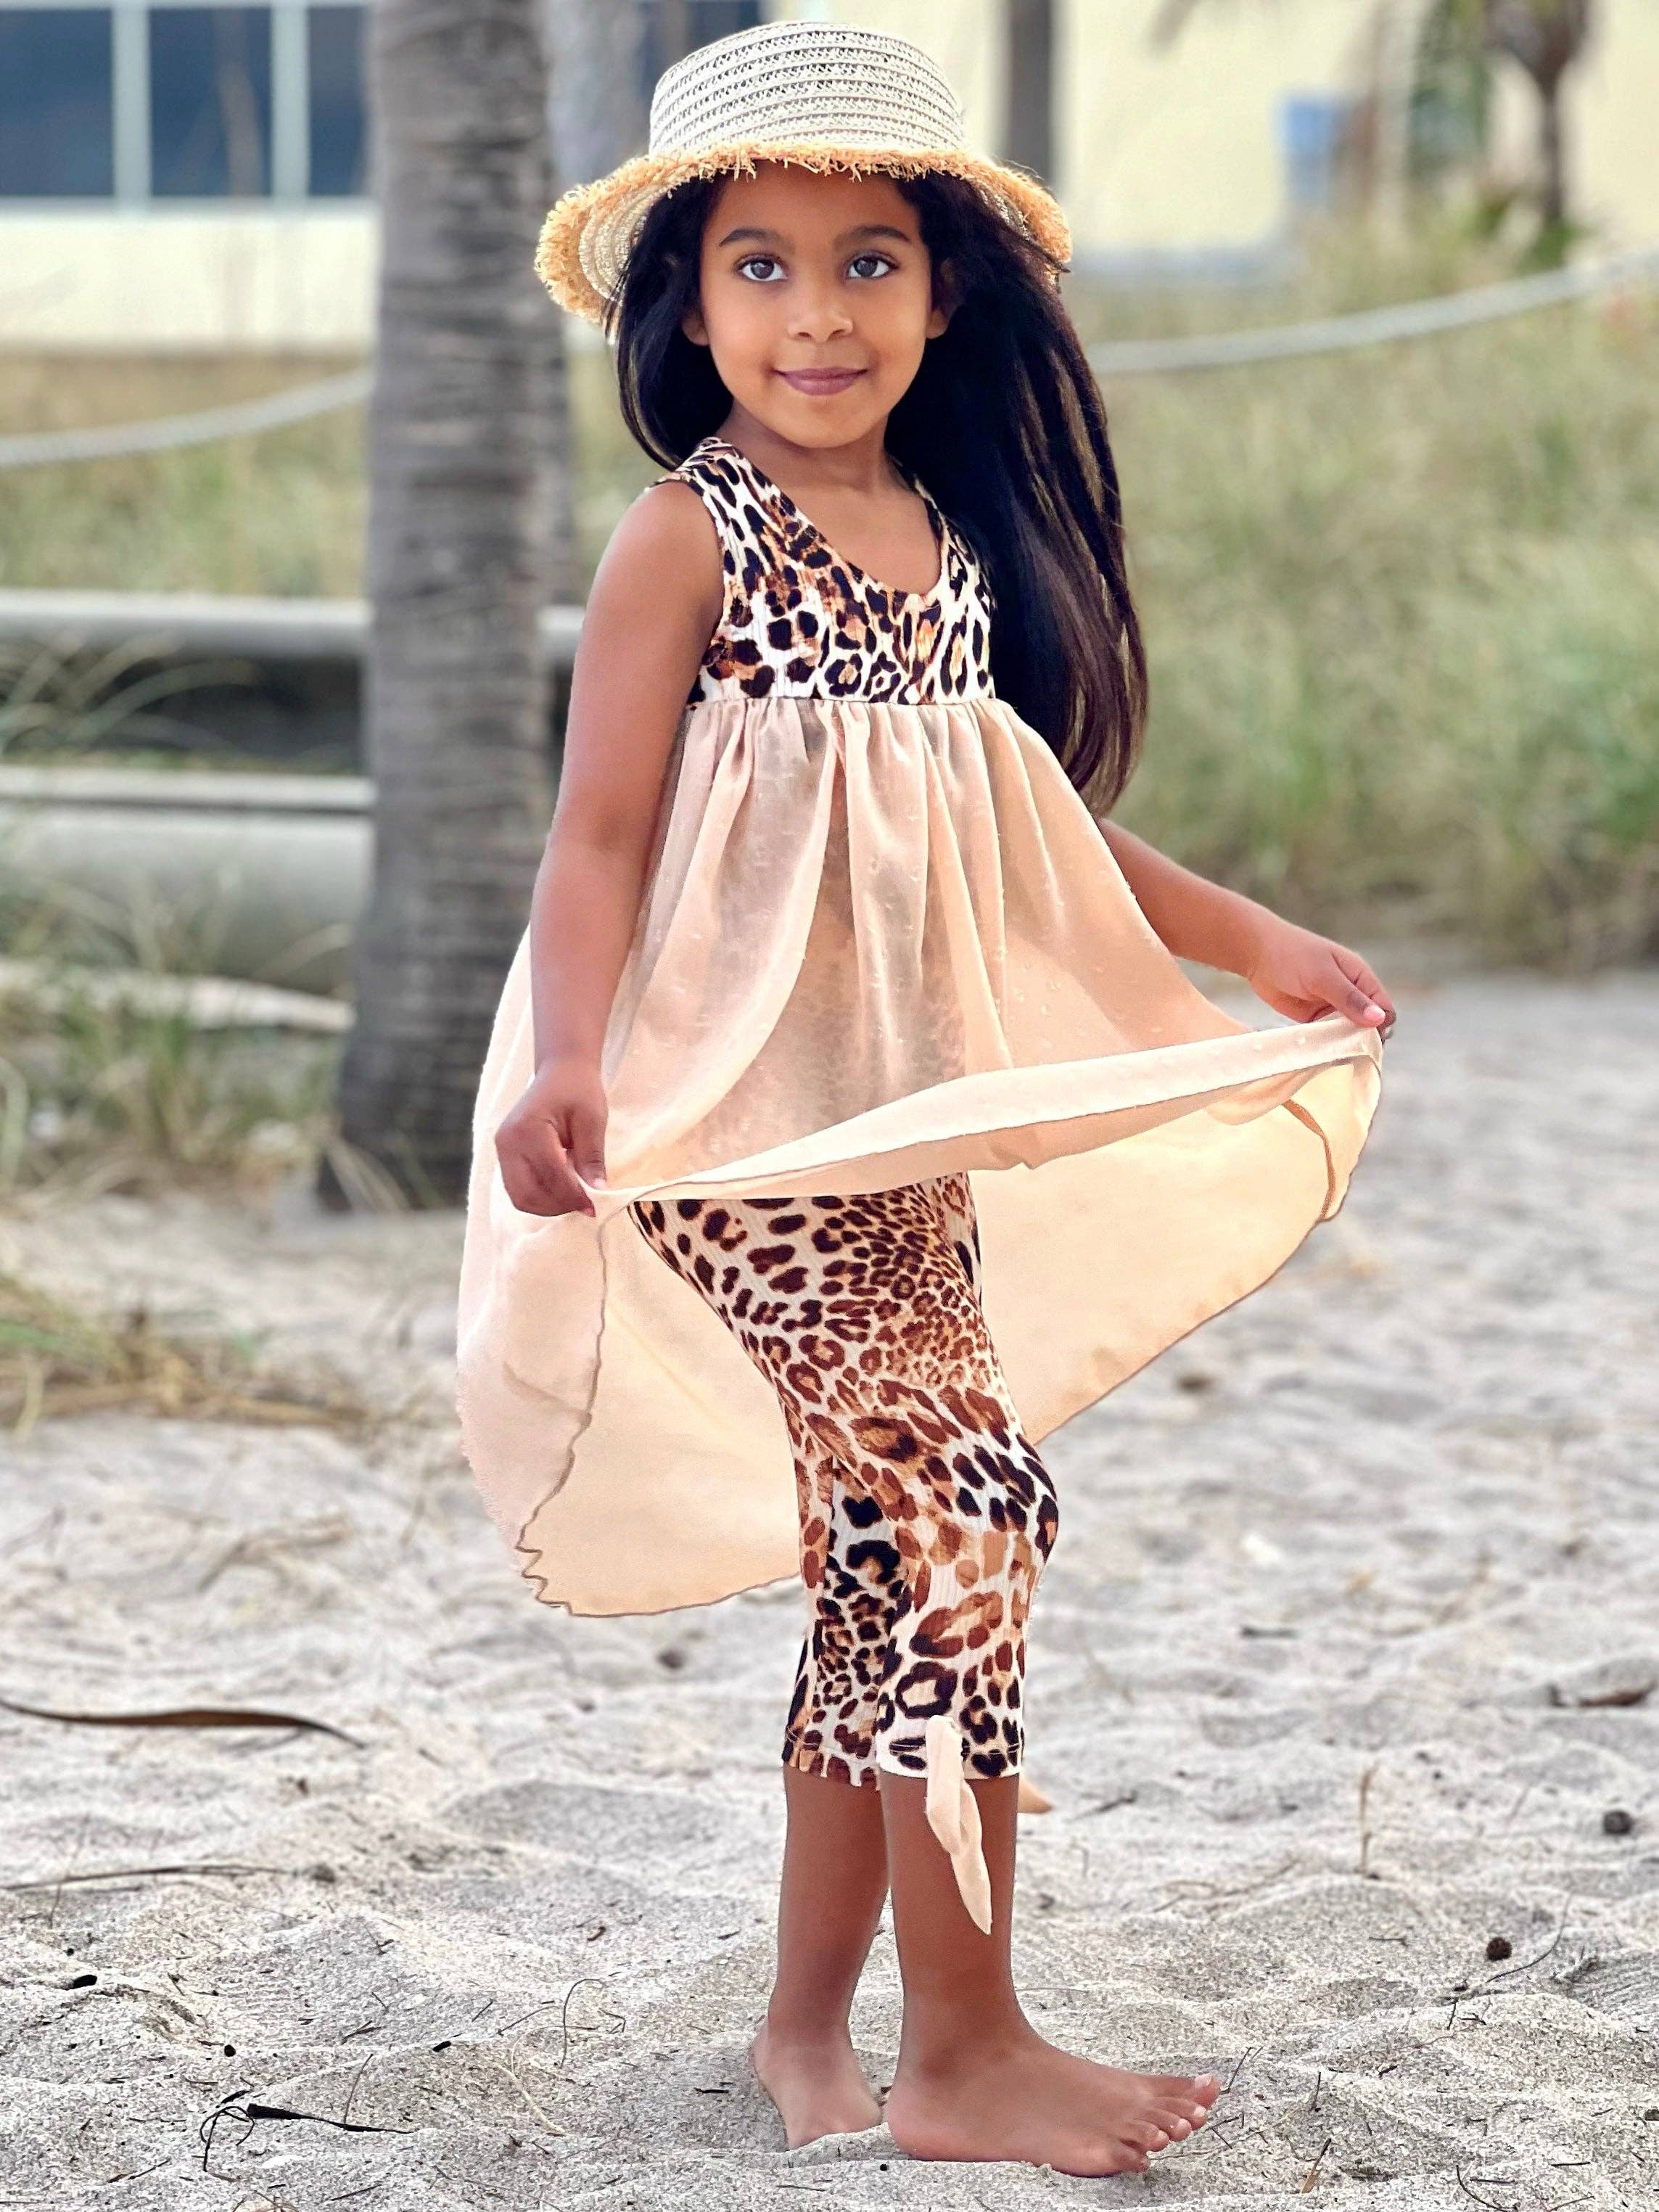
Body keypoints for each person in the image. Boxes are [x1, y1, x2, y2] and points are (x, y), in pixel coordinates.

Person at [456, 17, 1394, 2179]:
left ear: (946, 290)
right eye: (761, 268)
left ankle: (810, 2026)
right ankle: (966, 2050)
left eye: (867, 261)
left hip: (895, 1122)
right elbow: (594, 838)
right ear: (687, 302)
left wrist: (1242, 933)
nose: (818, 314)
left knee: (890, 1547)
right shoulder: (688, 539)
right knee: (964, 1502)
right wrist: (573, 1057)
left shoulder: (943, 543)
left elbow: (1022, 811)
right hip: (731, 1118)